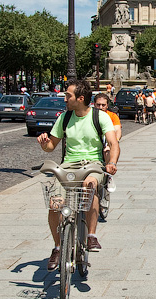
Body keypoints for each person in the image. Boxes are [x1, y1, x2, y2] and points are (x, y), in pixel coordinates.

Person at [37, 79, 119, 270]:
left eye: (68, 95)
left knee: (89, 185)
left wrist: (112, 163)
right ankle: (58, 247)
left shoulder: (100, 117)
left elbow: (114, 144)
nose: (64, 98)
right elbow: (51, 146)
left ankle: (91, 236)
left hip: (93, 164)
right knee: (54, 203)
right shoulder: (64, 118)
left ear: (80, 98)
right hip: (68, 167)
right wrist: (44, 143)